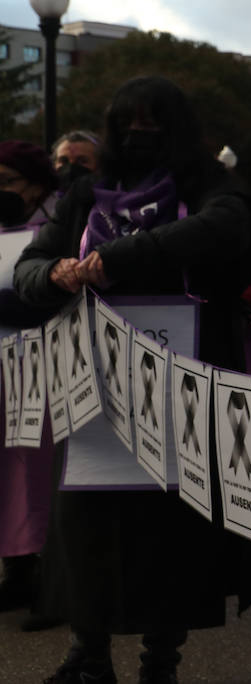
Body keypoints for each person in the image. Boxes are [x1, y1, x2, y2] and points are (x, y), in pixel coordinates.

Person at [14, 76, 251, 684]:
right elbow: (27, 269)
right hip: (91, 387)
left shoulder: (209, 184)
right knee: (85, 523)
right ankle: (88, 653)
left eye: (154, 124)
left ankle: (161, 661)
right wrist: (55, 275)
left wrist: (124, 255)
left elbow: (228, 227)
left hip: (182, 382)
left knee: (171, 530)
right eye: (128, 122)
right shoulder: (82, 195)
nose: (139, 134)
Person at [0, 141, 62, 633]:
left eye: (8, 180)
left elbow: (48, 298)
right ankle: (16, 570)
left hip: (40, 365)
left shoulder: (54, 230)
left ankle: (49, 578)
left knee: (36, 472)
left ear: (37, 185)